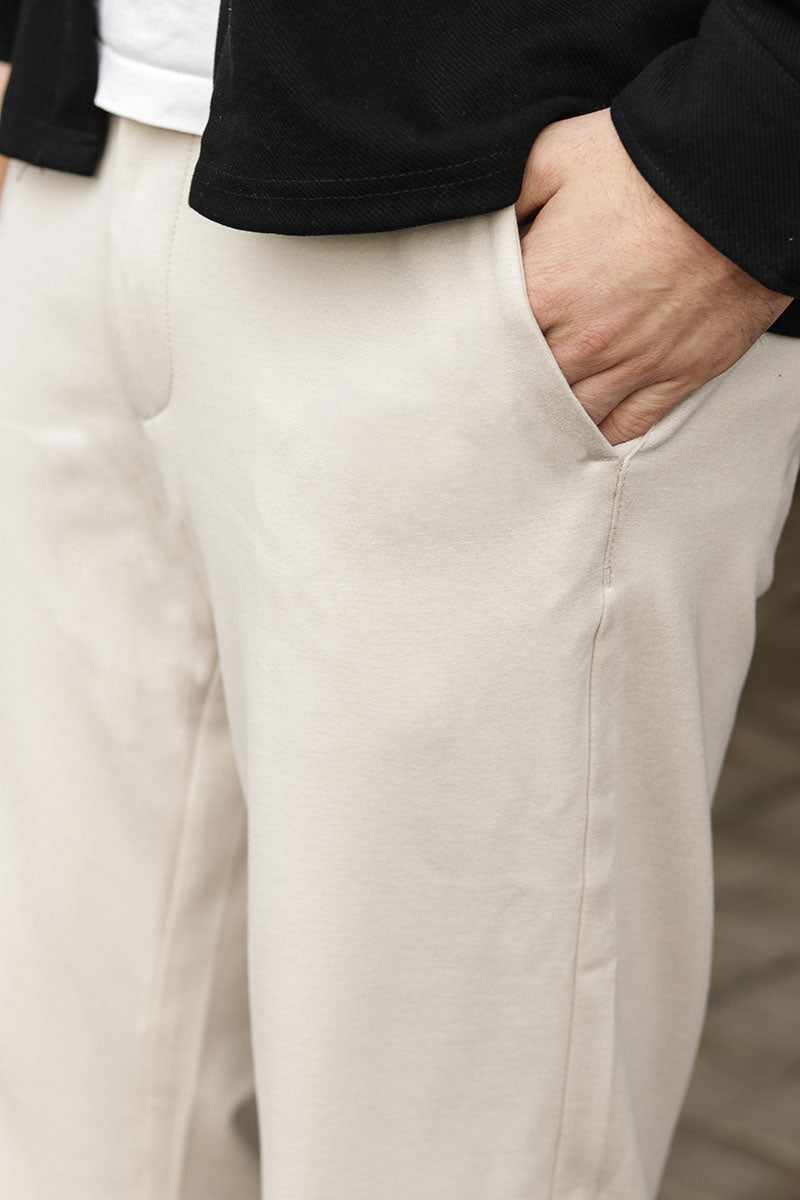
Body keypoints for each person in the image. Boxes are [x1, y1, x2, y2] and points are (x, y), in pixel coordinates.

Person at [0, 2, 798, 1197]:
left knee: (442, 1154)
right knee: (72, 1133)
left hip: (506, 214)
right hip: (87, 150)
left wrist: (749, 133)